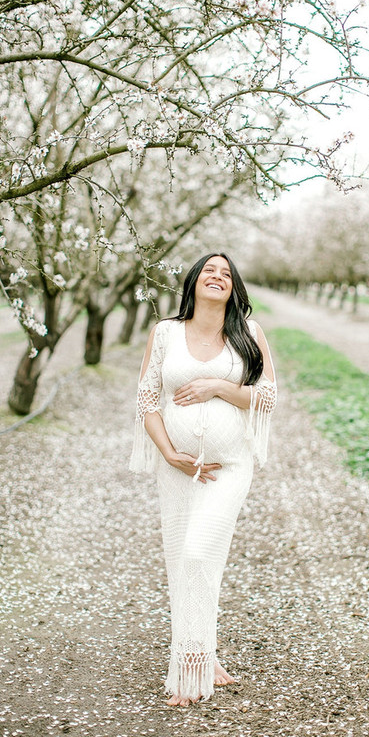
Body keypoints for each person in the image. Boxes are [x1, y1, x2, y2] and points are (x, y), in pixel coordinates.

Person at [129, 252, 276, 706]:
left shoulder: (248, 333)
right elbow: (147, 399)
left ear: (233, 288)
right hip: (178, 470)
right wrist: (170, 453)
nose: (217, 277)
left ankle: (189, 671)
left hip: (228, 468)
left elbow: (267, 397)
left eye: (226, 274)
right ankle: (204, 652)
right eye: (209, 270)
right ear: (193, 281)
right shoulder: (166, 333)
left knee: (199, 550)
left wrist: (216, 386)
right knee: (186, 563)